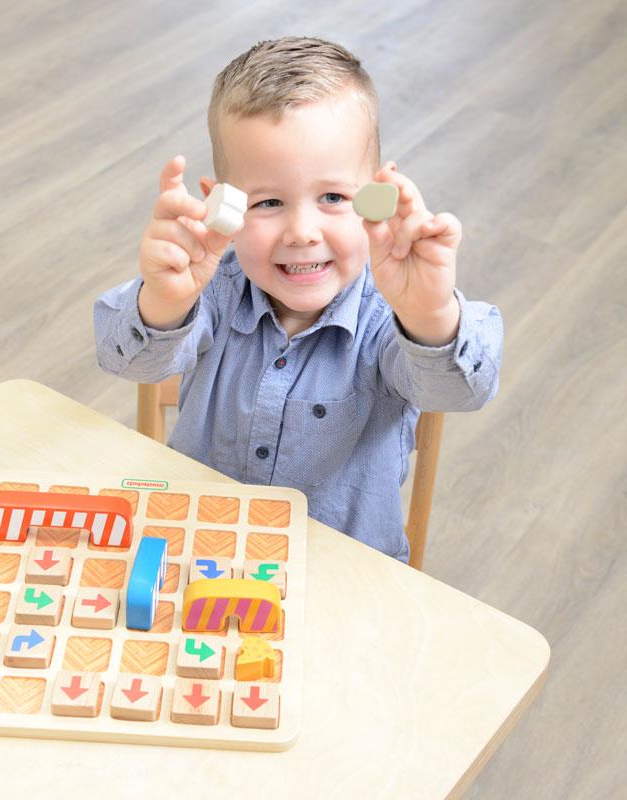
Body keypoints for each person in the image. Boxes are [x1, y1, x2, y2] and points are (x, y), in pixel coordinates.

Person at [94, 36, 503, 562]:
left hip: (343, 575)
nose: (302, 232)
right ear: (222, 204)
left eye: (334, 197)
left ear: (382, 194)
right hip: (196, 552)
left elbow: (461, 390)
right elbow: (124, 357)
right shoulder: (213, 285)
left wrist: (430, 315)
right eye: (268, 202)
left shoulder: (393, 312)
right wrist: (165, 301)